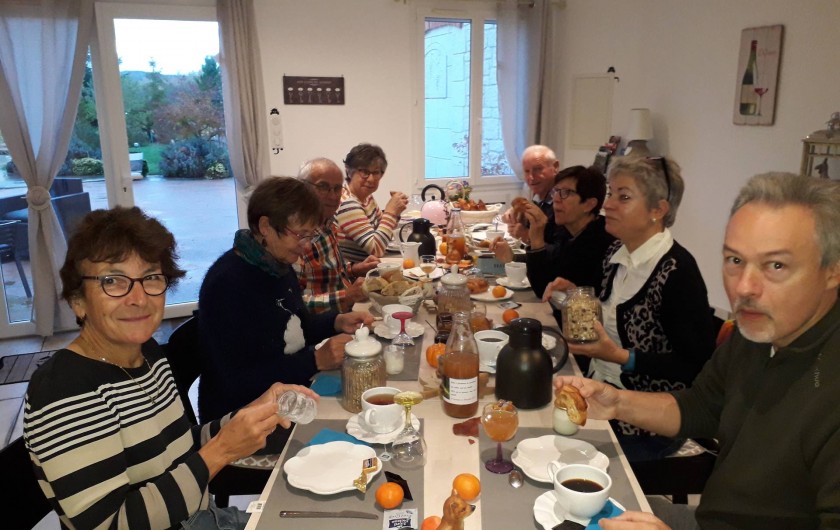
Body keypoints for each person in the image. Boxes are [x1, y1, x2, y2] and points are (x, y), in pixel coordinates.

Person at [560, 173, 840, 530]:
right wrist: (617, 402)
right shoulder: (756, 334)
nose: (744, 288)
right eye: (735, 260)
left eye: (776, 265)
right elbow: (701, 406)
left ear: (833, 270)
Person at [23, 206, 316, 530]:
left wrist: (248, 415)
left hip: (201, 519)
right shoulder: (64, 390)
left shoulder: (146, 354)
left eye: (150, 277)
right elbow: (109, 524)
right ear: (77, 300)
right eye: (113, 281)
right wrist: (221, 451)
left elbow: (175, 448)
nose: (138, 298)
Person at [545, 156, 716, 459]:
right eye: (611, 193)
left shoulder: (678, 272)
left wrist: (623, 357)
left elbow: (694, 366)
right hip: (599, 390)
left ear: (658, 210)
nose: (608, 205)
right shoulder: (617, 252)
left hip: (645, 423)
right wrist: (577, 297)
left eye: (623, 197)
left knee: (554, 454)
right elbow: (613, 317)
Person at [198, 177, 372, 423]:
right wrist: (314, 360)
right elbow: (238, 381)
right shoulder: (228, 284)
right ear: (265, 226)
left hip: (290, 396)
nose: (306, 246)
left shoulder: (277, 265)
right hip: (245, 418)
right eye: (300, 235)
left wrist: (336, 322)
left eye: (310, 236)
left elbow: (296, 328)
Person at [490, 165, 616, 302]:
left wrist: (536, 237)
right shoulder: (567, 230)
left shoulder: (601, 242)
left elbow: (542, 290)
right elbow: (551, 263)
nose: (556, 198)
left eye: (566, 192)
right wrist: (513, 257)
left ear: (589, 204)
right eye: (556, 191)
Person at [296, 158, 380, 313]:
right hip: (326, 321)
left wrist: (355, 268)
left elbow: (329, 271)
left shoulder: (328, 223)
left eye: (337, 188)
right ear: (302, 187)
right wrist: (346, 297)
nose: (333, 196)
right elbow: (294, 304)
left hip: (347, 310)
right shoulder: (297, 237)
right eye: (323, 187)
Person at [335, 143, 409, 263]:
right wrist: (391, 212)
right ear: (349, 171)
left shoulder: (366, 197)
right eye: (364, 172)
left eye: (376, 173)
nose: (371, 179)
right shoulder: (348, 203)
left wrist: (395, 212)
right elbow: (376, 249)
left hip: (370, 264)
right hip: (356, 271)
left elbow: (384, 235)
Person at [499, 145, 565, 248]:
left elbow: (561, 252)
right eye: (527, 171)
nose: (531, 177)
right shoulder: (539, 194)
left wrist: (527, 236)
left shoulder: (563, 202)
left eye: (538, 169)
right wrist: (514, 213)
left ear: (555, 167)